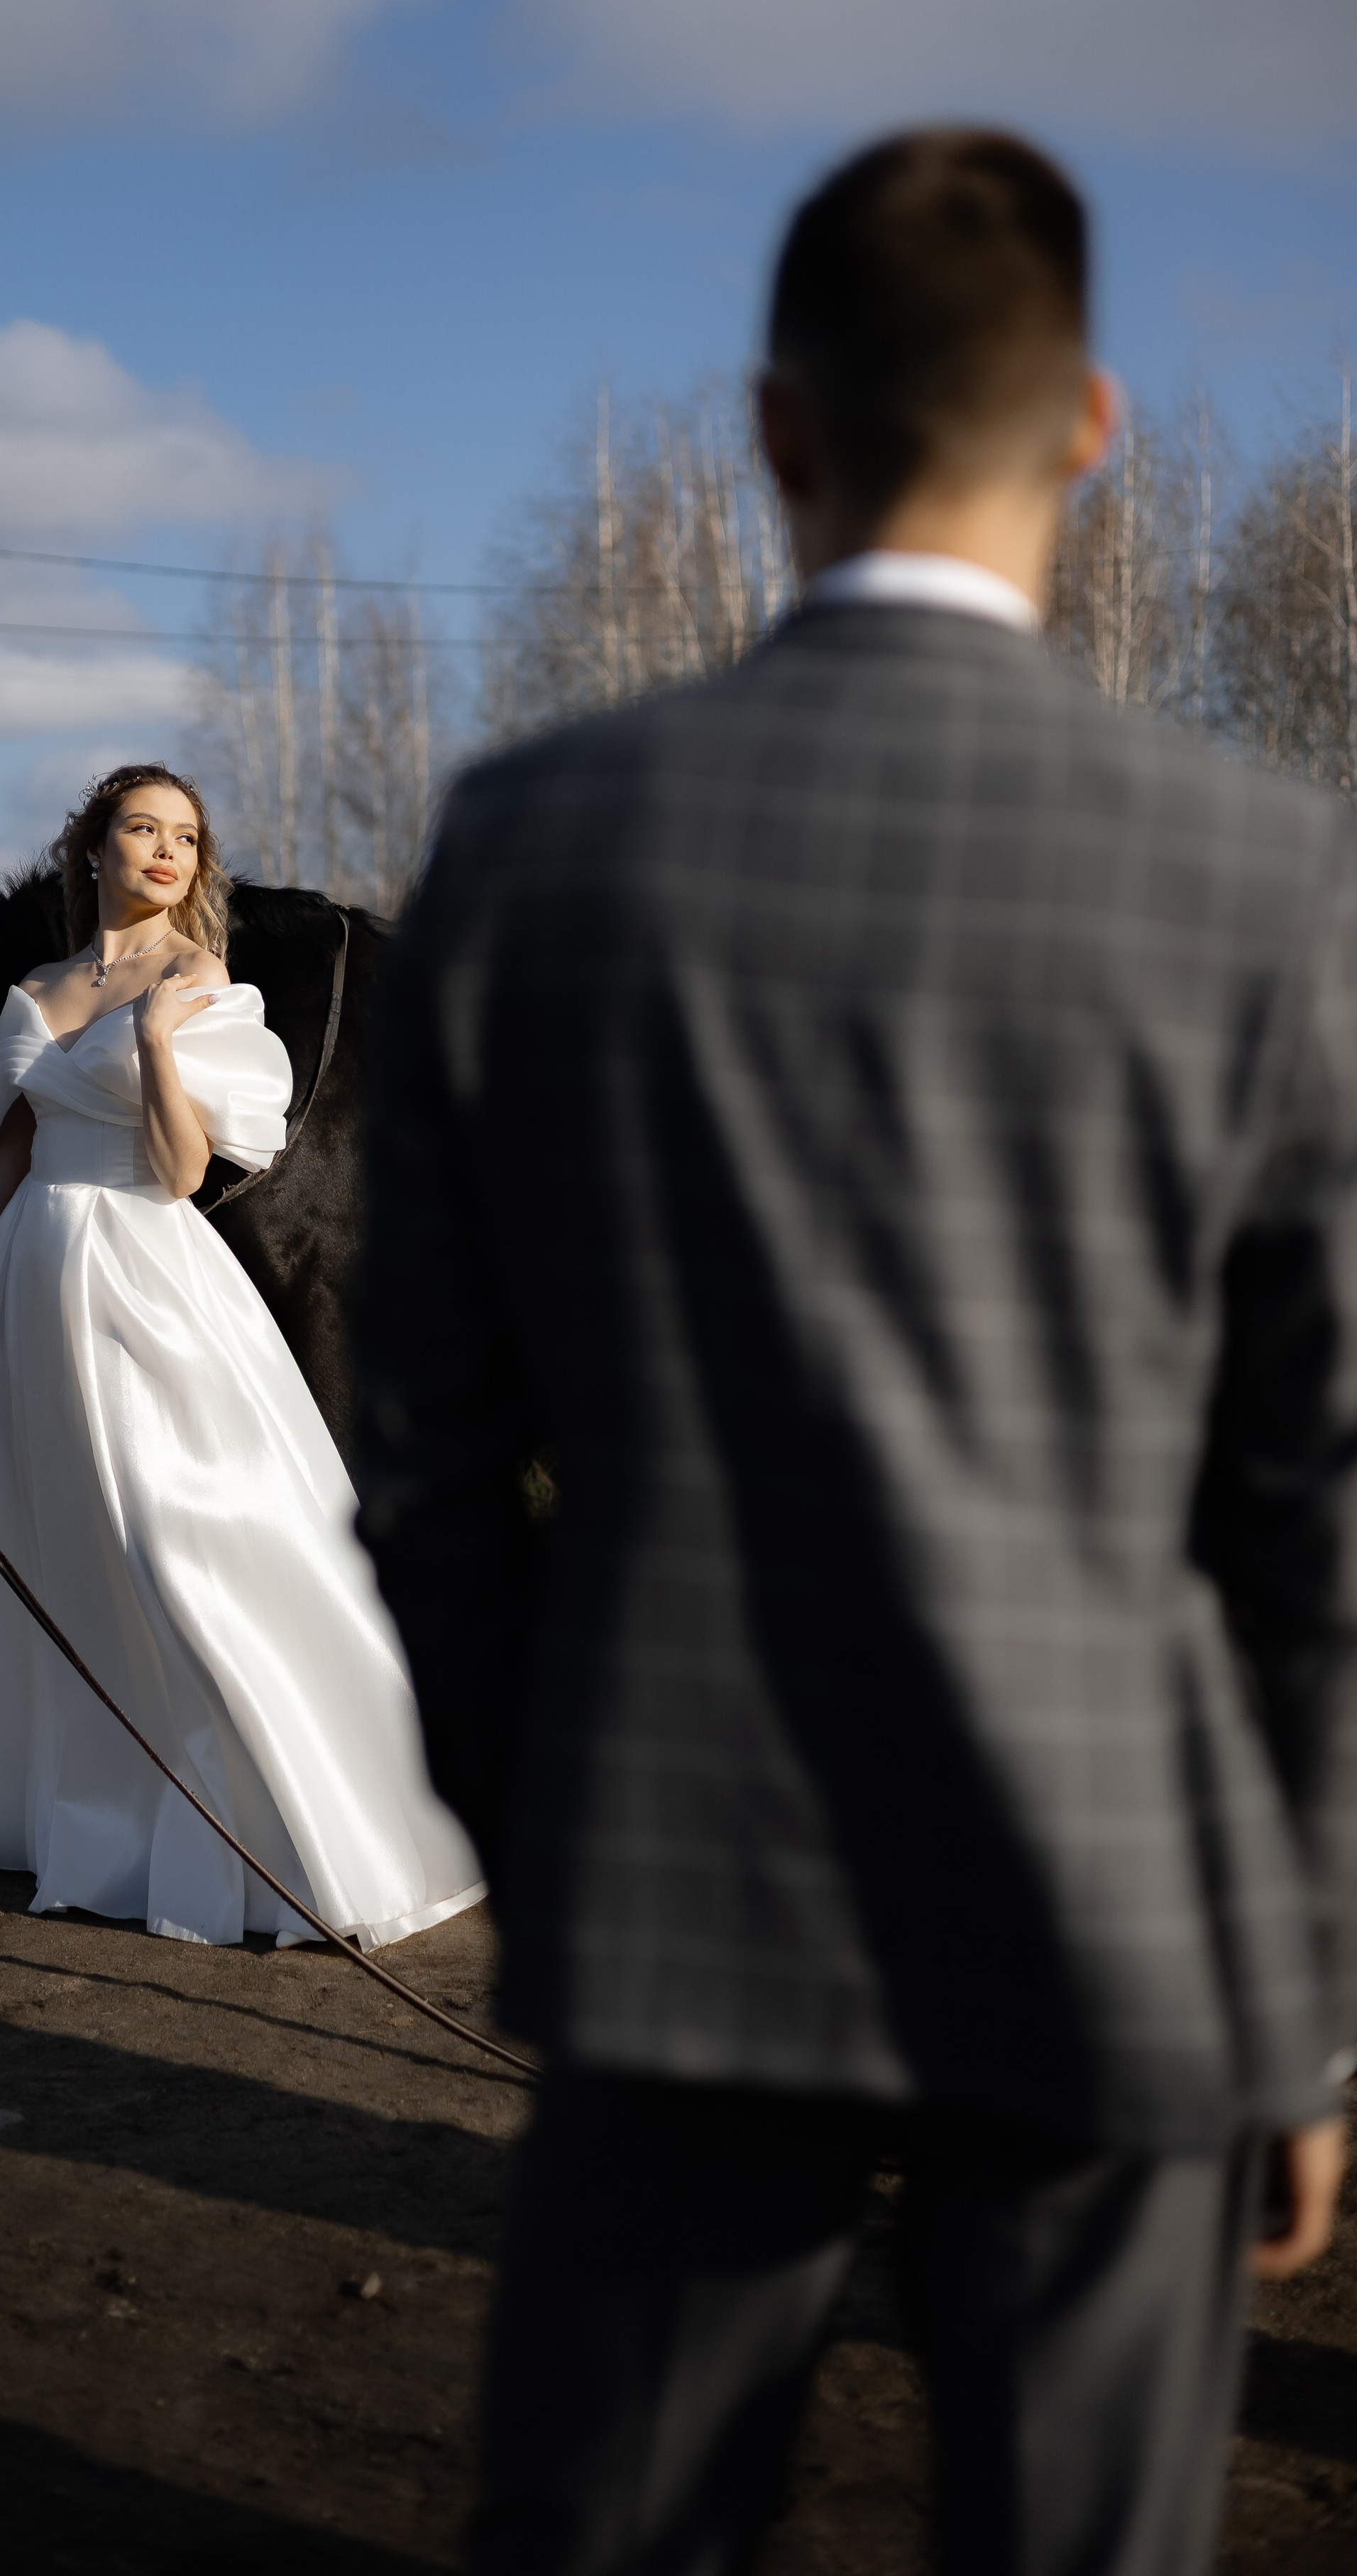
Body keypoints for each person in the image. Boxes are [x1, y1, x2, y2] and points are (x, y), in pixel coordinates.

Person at [353, 130, 1357, 2574]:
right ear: (1092, 425)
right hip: (1130, 1911)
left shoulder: (533, 841)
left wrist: (543, 1817)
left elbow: (426, 1450)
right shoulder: (1267, 878)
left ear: (773, 427)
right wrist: (1309, 1992)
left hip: (672, 1885)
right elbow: (1316, 1507)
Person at [0, 764, 480, 1952]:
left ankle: (293, 1826)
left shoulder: (197, 981)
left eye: (185, 836)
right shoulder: (37, 989)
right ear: (92, 849)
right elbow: (0, 1171)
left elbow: (186, 1173)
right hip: (32, 1291)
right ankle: (110, 1836)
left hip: (143, 1278)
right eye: (143, 828)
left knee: (181, 1542)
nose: (166, 851)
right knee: (69, 1552)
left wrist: (153, 1043)